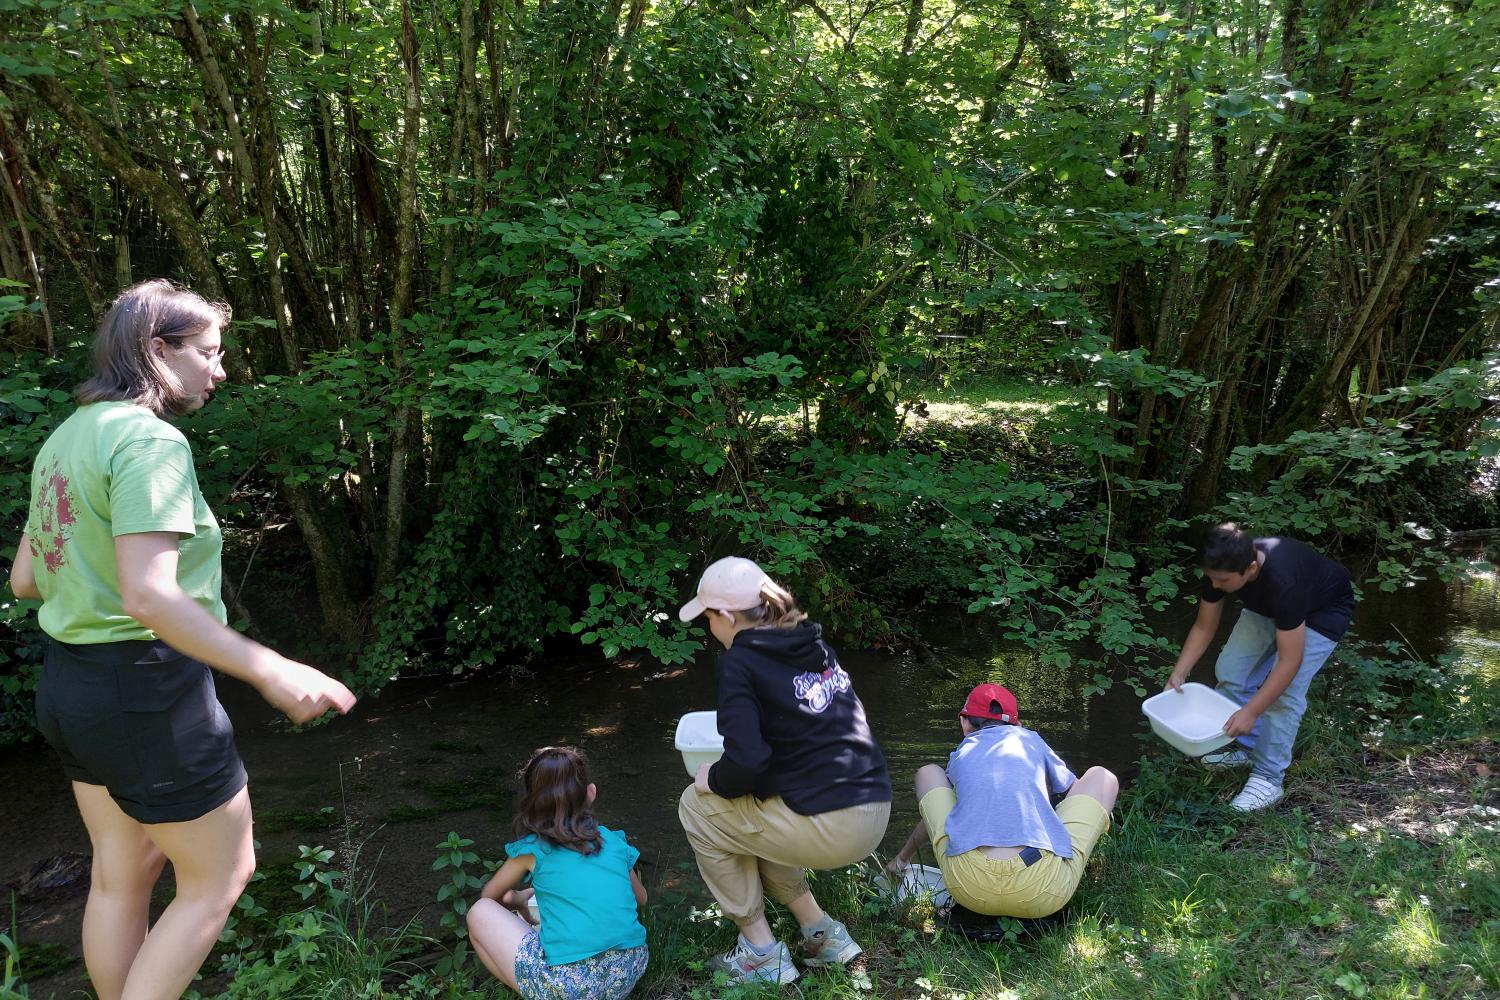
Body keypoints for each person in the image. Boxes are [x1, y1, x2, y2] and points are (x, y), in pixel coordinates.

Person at [5, 279, 356, 1000]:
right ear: (156, 351)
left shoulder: (65, 438)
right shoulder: (148, 440)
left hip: (71, 687)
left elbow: (25, 581)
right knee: (219, 877)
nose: (219, 370)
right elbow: (150, 594)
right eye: (208, 352)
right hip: (146, 690)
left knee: (121, 872)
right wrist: (272, 669)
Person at [676, 556, 892, 987]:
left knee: (697, 807)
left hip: (832, 825)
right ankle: (822, 934)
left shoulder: (740, 660)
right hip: (876, 806)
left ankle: (760, 953)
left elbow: (748, 762)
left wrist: (711, 779)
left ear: (726, 616)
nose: (708, 629)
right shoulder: (812, 643)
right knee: (751, 805)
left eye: (707, 618)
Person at [1165, 523, 1356, 811]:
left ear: (1251, 569)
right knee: (1230, 671)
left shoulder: (1285, 582)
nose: (1214, 585)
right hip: (1269, 606)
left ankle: (1268, 778)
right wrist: (1179, 673)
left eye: (1222, 581)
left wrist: (1252, 711)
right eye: (1211, 578)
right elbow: (1204, 626)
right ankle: (1251, 749)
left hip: (1323, 611)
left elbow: (1290, 662)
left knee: (1285, 695)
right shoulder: (1221, 568)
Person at [885, 683, 1118, 920]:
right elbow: (1074, 791)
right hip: (1043, 891)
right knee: (1102, 777)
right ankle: (1074, 869)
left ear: (964, 723)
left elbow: (939, 820)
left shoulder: (963, 752)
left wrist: (902, 858)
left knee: (928, 773)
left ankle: (910, 871)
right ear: (1017, 724)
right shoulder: (1031, 740)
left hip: (968, 889)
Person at [466, 746, 649, 1000]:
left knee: (479, 912)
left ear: (532, 801)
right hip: (628, 970)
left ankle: (536, 993)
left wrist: (518, 899)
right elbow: (641, 899)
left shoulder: (532, 850)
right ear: (591, 792)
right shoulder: (612, 840)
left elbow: (490, 896)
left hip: (570, 986)